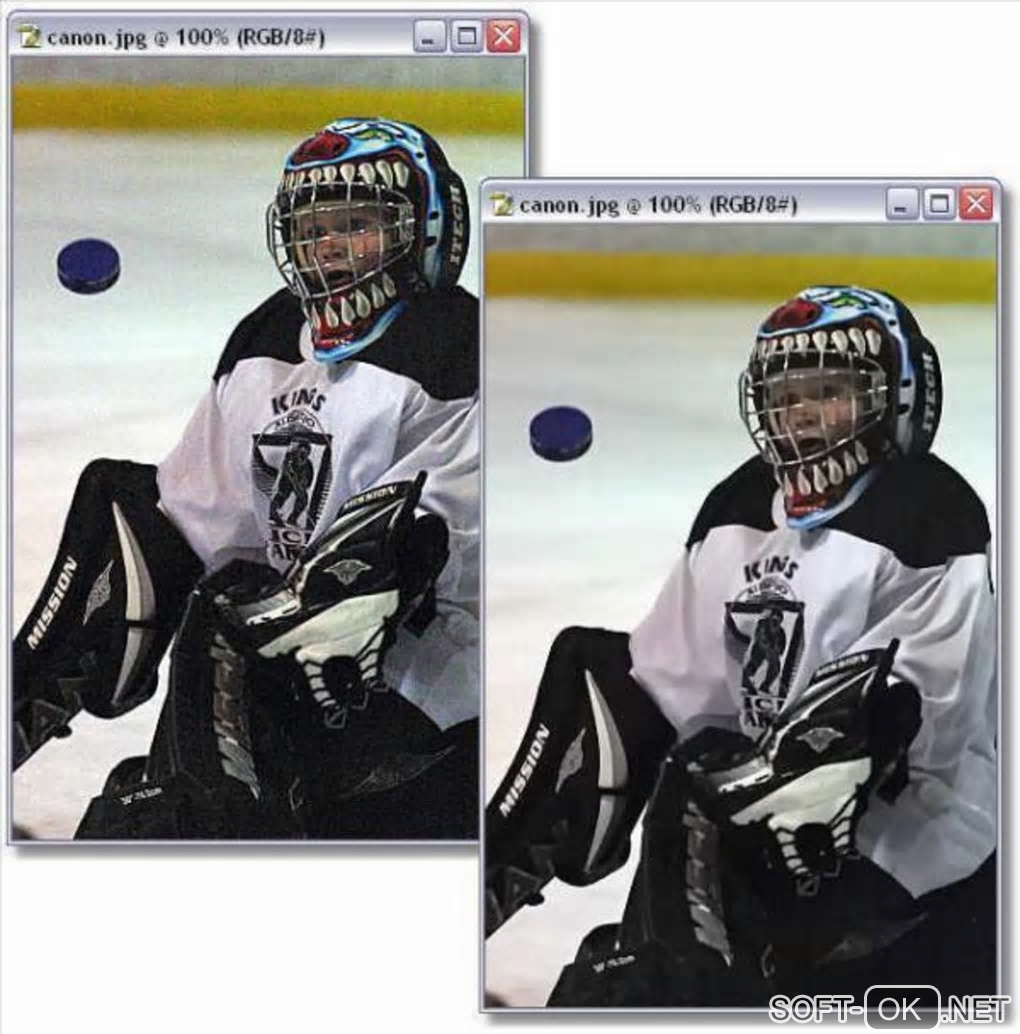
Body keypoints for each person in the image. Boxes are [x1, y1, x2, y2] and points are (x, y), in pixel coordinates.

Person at [485, 286, 996, 1005]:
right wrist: (549, 799)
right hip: (774, 826)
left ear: (898, 401)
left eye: (830, 393)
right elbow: (669, 688)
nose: (804, 415)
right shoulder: (738, 509)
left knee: (701, 798)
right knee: (596, 684)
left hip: (919, 862)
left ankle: (685, 982)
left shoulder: (931, 520)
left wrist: (742, 792)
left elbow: (915, 736)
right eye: (787, 399)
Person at [13, 117, 479, 841]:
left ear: (426, 231)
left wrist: (291, 610)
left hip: (424, 707)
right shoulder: (266, 338)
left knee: (230, 617)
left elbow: (415, 551)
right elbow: (192, 524)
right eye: (313, 231)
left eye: (357, 226)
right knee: (125, 516)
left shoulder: (461, 348)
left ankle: (214, 825)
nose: (330, 248)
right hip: (296, 665)